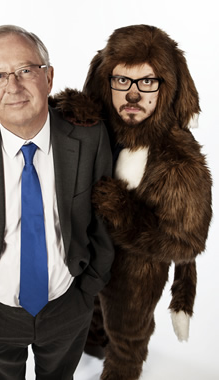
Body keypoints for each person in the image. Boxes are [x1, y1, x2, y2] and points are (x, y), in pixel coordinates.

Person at [0, 25, 114, 380]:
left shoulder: (89, 139)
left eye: (26, 70)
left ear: (48, 76)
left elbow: (105, 218)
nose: (12, 86)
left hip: (67, 304)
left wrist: (88, 288)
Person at [51, 25, 212, 380]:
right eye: (122, 81)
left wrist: (123, 211)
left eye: (147, 82)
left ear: (167, 87)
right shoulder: (100, 127)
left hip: (138, 270)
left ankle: (122, 369)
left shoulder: (178, 159)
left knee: (128, 332)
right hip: (88, 252)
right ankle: (92, 345)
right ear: (106, 81)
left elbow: (186, 242)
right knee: (91, 310)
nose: (134, 95)